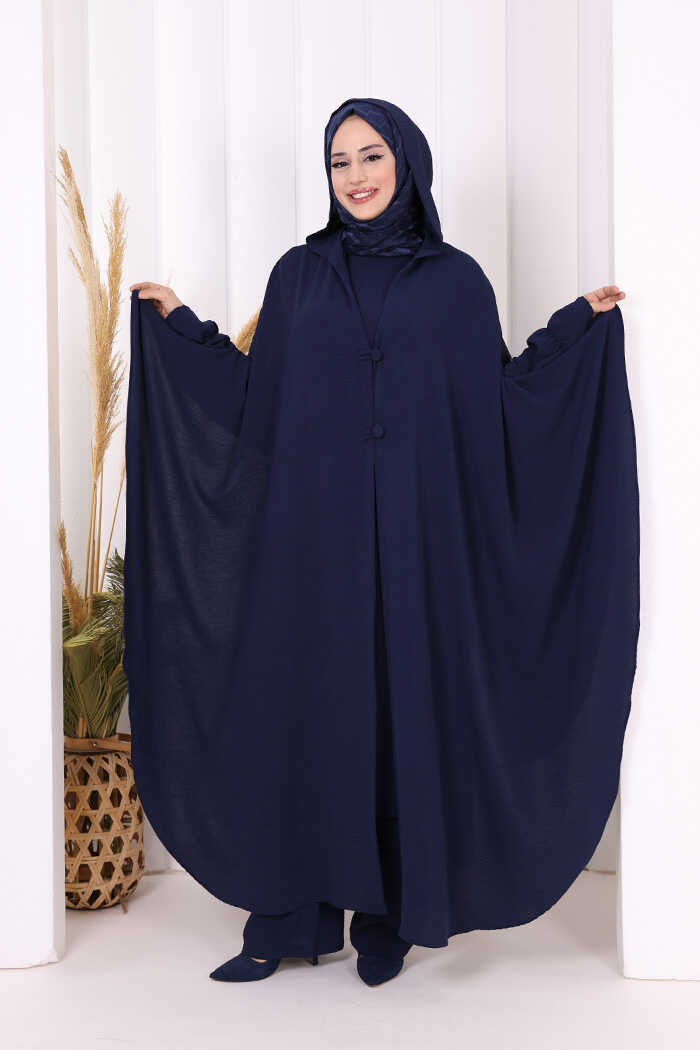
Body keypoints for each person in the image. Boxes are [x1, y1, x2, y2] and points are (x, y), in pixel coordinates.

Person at [125, 98, 638, 987]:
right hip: (313, 546)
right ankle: (291, 913)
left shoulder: (457, 282)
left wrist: (571, 335)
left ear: (407, 162)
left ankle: (391, 914)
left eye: (371, 156)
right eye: (339, 161)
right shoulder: (298, 277)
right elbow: (255, 398)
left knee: (403, 710)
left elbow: (497, 402)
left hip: (418, 545)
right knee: (310, 708)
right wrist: (181, 331)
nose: (355, 176)